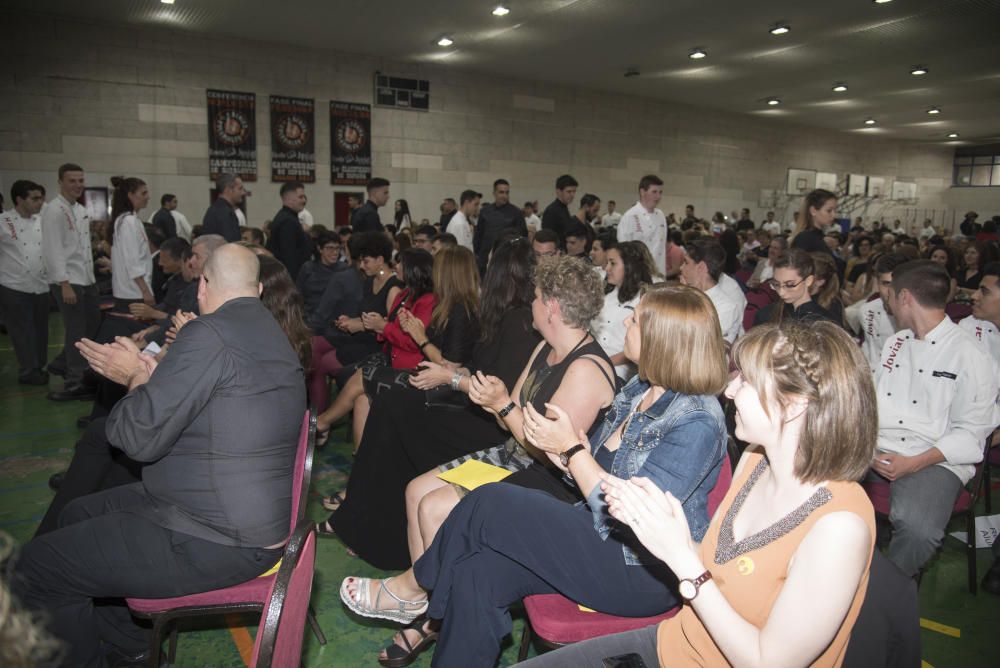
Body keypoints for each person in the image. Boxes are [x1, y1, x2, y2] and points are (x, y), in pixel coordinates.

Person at [342, 284, 729, 668]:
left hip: (639, 570)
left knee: (492, 502)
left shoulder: (696, 421)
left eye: (637, 318)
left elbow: (638, 521)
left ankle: (413, 588)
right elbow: (591, 470)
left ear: (662, 340)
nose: (626, 320)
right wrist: (566, 451)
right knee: (477, 574)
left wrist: (573, 451)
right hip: (593, 531)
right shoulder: (640, 388)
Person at [12, 244, 307, 668]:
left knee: (36, 569)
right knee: (78, 514)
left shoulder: (209, 332)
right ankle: (130, 646)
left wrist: (133, 377)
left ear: (203, 284)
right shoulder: (271, 336)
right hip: (233, 516)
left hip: (214, 536)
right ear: (257, 289)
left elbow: (136, 440)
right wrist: (152, 382)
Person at [522, 320, 878, 668]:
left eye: (748, 380)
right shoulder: (756, 460)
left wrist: (681, 558)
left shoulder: (839, 527)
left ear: (797, 403)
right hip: (678, 644)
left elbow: (766, 661)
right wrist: (661, 530)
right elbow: (717, 566)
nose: (731, 390)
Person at [320, 238, 539, 571]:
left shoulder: (519, 322)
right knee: (389, 406)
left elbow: (497, 393)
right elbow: (479, 372)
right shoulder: (503, 316)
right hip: (474, 408)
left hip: (491, 427)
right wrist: (455, 374)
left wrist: (449, 375)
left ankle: (365, 526)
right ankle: (362, 521)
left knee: (393, 410)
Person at [870, 260, 999, 578]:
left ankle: (889, 588)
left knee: (919, 530)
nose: (885, 298)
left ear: (904, 298)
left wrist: (912, 463)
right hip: (879, 449)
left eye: (890, 291)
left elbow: (971, 434)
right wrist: (866, 450)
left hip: (935, 457)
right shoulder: (895, 343)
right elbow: (873, 403)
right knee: (816, 490)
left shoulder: (972, 354)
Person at [314, 248, 436, 449]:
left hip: (413, 367)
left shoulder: (427, 300)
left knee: (362, 375)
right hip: (391, 355)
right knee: (362, 398)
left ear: (414, 269)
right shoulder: (405, 293)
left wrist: (383, 327)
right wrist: (377, 325)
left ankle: (323, 422)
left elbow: (414, 341)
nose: (396, 266)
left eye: (401, 263)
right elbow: (391, 326)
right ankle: (361, 460)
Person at [307, 232, 401, 411]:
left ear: (380, 260)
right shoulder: (371, 281)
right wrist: (351, 320)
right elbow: (368, 316)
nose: (361, 266)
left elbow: (391, 327)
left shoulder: (393, 288)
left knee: (321, 363)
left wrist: (360, 325)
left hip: (378, 347)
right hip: (364, 340)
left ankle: (327, 412)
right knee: (319, 362)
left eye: (365, 261)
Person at [41, 163, 100, 401]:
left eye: (80, 181)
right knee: (77, 332)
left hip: (87, 278)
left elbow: (80, 248)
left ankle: (63, 364)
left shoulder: (80, 209)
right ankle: (74, 381)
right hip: (68, 280)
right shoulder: (54, 210)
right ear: (61, 182)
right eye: (72, 181)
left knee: (92, 327)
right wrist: (64, 283)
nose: (77, 185)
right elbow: (52, 248)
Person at [0, 180, 50, 385]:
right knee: (22, 330)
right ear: (20, 200)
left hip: (42, 284)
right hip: (13, 285)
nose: (39, 203)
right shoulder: (3, 221)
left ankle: (39, 365)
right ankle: (28, 370)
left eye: (41, 198)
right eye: (34, 198)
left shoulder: (43, 221)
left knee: (41, 329)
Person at [593, 241, 651, 381]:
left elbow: (643, 348)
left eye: (612, 263)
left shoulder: (644, 299)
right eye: (607, 263)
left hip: (621, 371)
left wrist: (603, 362)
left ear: (629, 266)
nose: (607, 269)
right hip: (595, 361)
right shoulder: (606, 295)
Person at [681, 238, 746, 344]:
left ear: (701, 267)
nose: (681, 267)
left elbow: (693, 343)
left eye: (686, 262)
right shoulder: (693, 293)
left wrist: (685, 295)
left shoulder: (725, 307)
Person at [753, 249, 839, 327]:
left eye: (790, 285)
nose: (781, 292)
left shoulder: (824, 323)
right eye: (776, 284)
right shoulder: (764, 315)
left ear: (808, 281)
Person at [854, 253, 907, 373]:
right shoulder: (867, 310)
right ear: (877, 283)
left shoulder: (915, 316)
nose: (890, 291)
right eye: (886, 284)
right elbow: (869, 348)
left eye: (896, 284)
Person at [108, 176, 155, 312]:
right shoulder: (128, 221)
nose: (148, 197)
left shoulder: (129, 220)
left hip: (131, 290)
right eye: (143, 193)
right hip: (133, 292)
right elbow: (132, 261)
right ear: (130, 195)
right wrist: (145, 291)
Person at [618, 174, 667, 275]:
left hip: (659, 272)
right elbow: (624, 251)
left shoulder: (661, 215)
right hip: (639, 274)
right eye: (654, 192)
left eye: (660, 192)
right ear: (642, 192)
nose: (658, 196)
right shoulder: (629, 216)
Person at [473, 179, 527, 273]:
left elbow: (522, 237)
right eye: (501, 192)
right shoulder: (485, 211)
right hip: (484, 261)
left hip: (507, 261)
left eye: (507, 192)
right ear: (494, 193)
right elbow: (478, 235)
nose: (505, 196)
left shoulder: (516, 213)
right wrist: (478, 255)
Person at [265, 180, 312, 280]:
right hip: (290, 279)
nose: (304, 200)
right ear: (288, 199)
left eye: (304, 197)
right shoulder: (288, 222)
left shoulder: (287, 218)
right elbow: (289, 257)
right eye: (300, 197)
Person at [790, 188, 837, 256]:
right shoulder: (805, 238)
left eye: (835, 211)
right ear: (813, 211)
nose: (834, 215)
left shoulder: (820, 237)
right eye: (829, 211)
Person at [201, 173, 244, 242]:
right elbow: (231, 245)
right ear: (228, 190)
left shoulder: (214, 209)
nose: (243, 193)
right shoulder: (226, 213)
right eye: (240, 188)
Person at [541, 174, 578, 246]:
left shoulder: (563, 208)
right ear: (558, 191)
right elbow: (547, 238)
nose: (572, 195)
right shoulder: (551, 211)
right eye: (569, 191)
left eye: (574, 191)